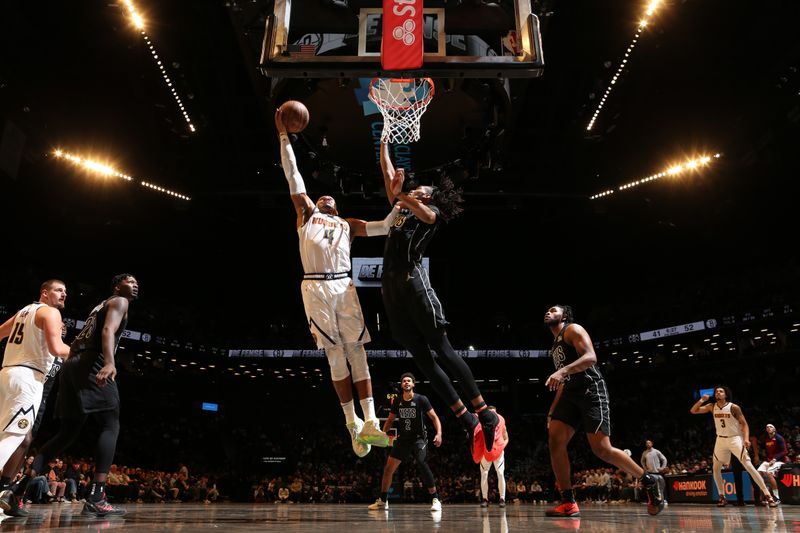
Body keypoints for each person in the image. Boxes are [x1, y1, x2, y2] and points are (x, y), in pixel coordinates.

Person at [276, 110, 394, 457]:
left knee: (356, 350)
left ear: (338, 207)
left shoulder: (347, 225)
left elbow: (384, 227)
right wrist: (284, 137)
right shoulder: (307, 213)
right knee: (334, 353)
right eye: (322, 197)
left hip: (343, 286)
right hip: (314, 286)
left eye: (332, 199)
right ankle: (350, 422)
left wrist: (399, 200)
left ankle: (369, 421)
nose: (326, 198)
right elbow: (294, 176)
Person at [379, 141, 500, 455]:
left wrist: (402, 193)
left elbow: (426, 214)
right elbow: (389, 173)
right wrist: (382, 145)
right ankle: (466, 418)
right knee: (421, 359)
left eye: (422, 188)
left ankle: (484, 413)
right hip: (391, 289)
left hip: (413, 281)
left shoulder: (428, 211)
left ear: (430, 196)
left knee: (442, 350)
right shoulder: (401, 208)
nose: (417, 188)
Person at [30, 274, 139, 517]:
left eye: (136, 283)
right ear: (116, 286)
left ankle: (18, 489)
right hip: (92, 361)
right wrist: (110, 363)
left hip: (72, 366)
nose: (135, 285)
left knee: (67, 433)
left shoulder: (100, 305)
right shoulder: (120, 301)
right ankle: (97, 496)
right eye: (129, 282)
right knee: (110, 424)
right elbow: (108, 330)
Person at [543, 304, 666, 518]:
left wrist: (563, 371)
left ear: (565, 316)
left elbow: (591, 357)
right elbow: (562, 381)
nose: (549, 312)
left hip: (591, 390)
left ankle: (648, 480)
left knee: (601, 449)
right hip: (570, 393)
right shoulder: (554, 346)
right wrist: (552, 410)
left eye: (554, 310)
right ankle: (568, 502)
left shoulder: (572, 329)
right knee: (555, 440)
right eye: (548, 310)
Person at [0, 279, 72, 516]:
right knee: (14, 436)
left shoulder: (24, 311)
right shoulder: (50, 312)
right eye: (58, 290)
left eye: (65, 291)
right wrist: (85, 352)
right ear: (44, 293)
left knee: (6, 434)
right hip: (28, 378)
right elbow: (57, 349)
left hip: (7, 373)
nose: (64, 294)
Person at [689, 386, 780, 507]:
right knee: (715, 468)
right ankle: (722, 497)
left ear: (726, 394)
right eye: (716, 391)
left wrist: (746, 439)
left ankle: (768, 496)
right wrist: (701, 400)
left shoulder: (733, 407)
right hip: (720, 440)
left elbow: (745, 424)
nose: (718, 393)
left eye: (721, 391)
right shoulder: (712, 406)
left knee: (749, 466)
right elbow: (693, 411)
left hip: (735, 438)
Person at [368, 372, 443, 512]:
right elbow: (390, 420)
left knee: (421, 463)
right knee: (388, 469)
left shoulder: (421, 399)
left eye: (409, 381)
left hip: (419, 438)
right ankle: (383, 501)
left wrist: (439, 434)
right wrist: (383, 434)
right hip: (403, 439)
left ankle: (435, 499)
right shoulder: (397, 401)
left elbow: (434, 417)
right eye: (404, 381)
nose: (406, 382)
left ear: (413, 384)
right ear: (401, 385)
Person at [479, 406, 509, 508]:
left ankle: (502, 498)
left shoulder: (501, 420)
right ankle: (484, 499)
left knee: (500, 473)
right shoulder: (482, 420)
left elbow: (506, 436)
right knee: (484, 474)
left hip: (498, 451)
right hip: (486, 451)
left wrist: (502, 446)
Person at [757, 423, 786, 503]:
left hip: (779, 461)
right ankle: (766, 495)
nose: (769, 428)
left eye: (771, 427)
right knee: (758, 473)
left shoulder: (779, 438)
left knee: (769, 473)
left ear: (774, 429)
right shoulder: (766, 439)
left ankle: (777, 497)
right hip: (769, 461)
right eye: (767, 427)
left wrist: (774, 459)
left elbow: (784, 451)